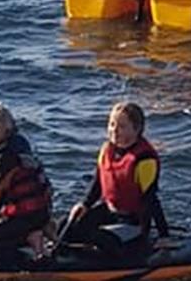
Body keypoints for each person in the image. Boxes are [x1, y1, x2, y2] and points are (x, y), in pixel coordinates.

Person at [59, 102, 168, 255]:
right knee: (65, 225)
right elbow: (97, 184)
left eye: (122, 126)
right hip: (110, 211)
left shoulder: (144, 159)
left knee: (98, 238)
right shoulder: (106, 150)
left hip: (133, 222)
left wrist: (164, 235)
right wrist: (84, 204)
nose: (114, 131)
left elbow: (151, 200)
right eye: (111, 124)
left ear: (137, 129)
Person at [0, 102, 54, 263]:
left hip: (27, 218)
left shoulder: (4, 157)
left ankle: (27, 255)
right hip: (41, 213)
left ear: (3, 129)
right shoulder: (20, 142)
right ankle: (36, 233)